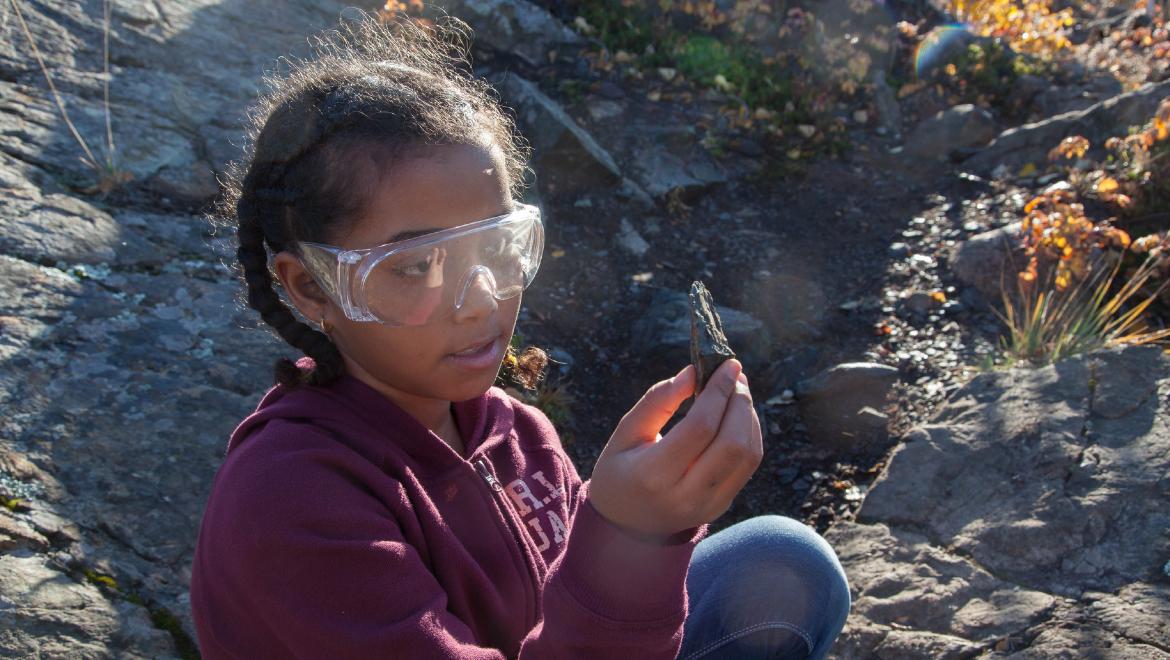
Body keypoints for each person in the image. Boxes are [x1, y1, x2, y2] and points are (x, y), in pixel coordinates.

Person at [189, 12, 850, 659]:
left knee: (783, 567)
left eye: (498, 247)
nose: (482, 301)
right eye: (417, 266)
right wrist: (632, 537)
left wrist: (641, 525)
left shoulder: (516, 430)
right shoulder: (289, 500)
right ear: (311, 287)